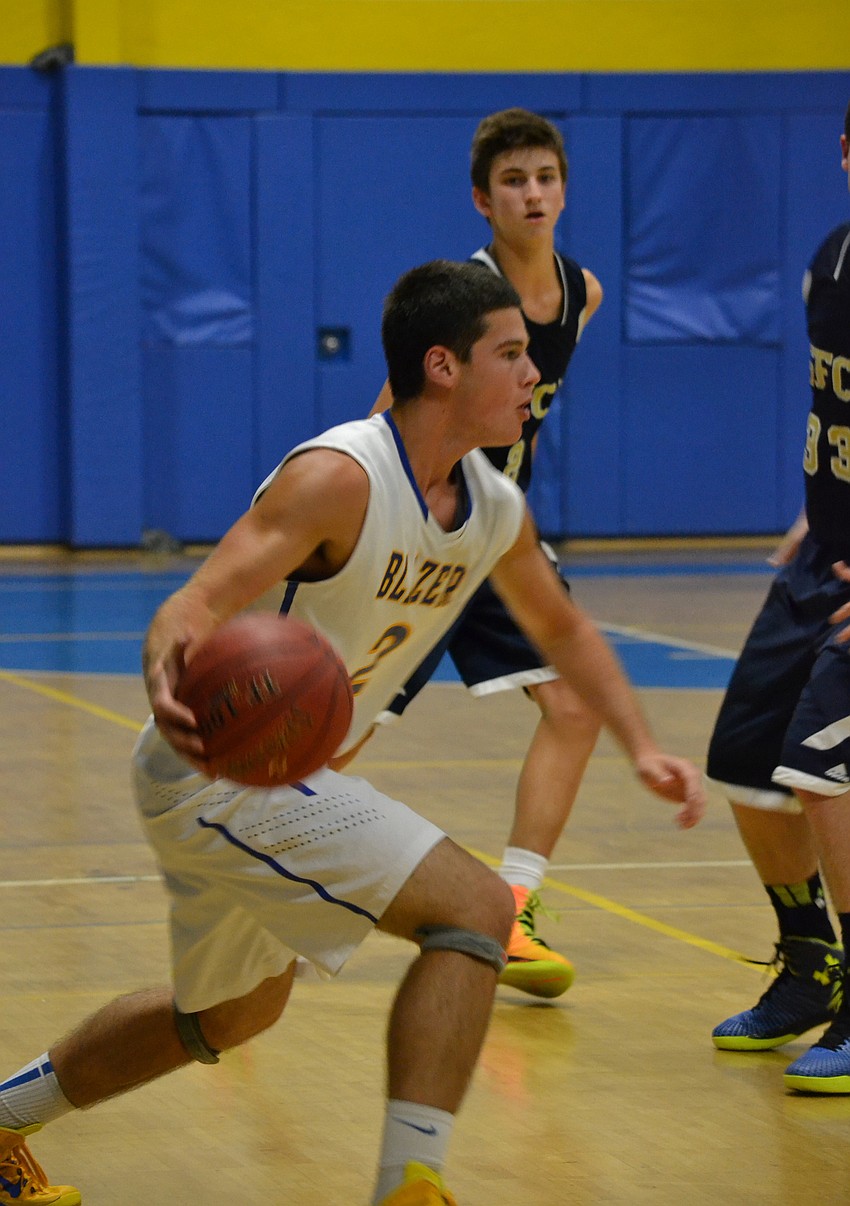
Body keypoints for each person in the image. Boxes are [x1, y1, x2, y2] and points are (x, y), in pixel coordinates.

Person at [0, 261, 704, 1205]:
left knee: (224, 1017)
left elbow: (565, 629)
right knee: (479, 909)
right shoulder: (337, 476)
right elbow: (195, 602)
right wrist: (169, 662)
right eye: (512, 354)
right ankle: (409, 1184)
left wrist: (642, 744)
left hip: (278, 779)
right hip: (220, 769)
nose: (534, 374)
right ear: (443, 367)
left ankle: (4, 1120)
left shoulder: (492, 506)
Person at [364, 109, 604, 1000]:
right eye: (514, 181)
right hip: (422, 532)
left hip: (497, 536)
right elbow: (393, 410)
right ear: (483, 199)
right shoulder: (462, 296)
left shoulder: (584, 293)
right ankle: (265, 890)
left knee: (575, 705)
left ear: (564, 188)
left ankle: (515, 909)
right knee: (334, 731)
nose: (532, 193)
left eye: (545, 176)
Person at [706, 102, 850, 1093]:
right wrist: (815, 510)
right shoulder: (830, 259)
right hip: (823, 559)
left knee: (821, 775)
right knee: (747, 766)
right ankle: (809, 965)